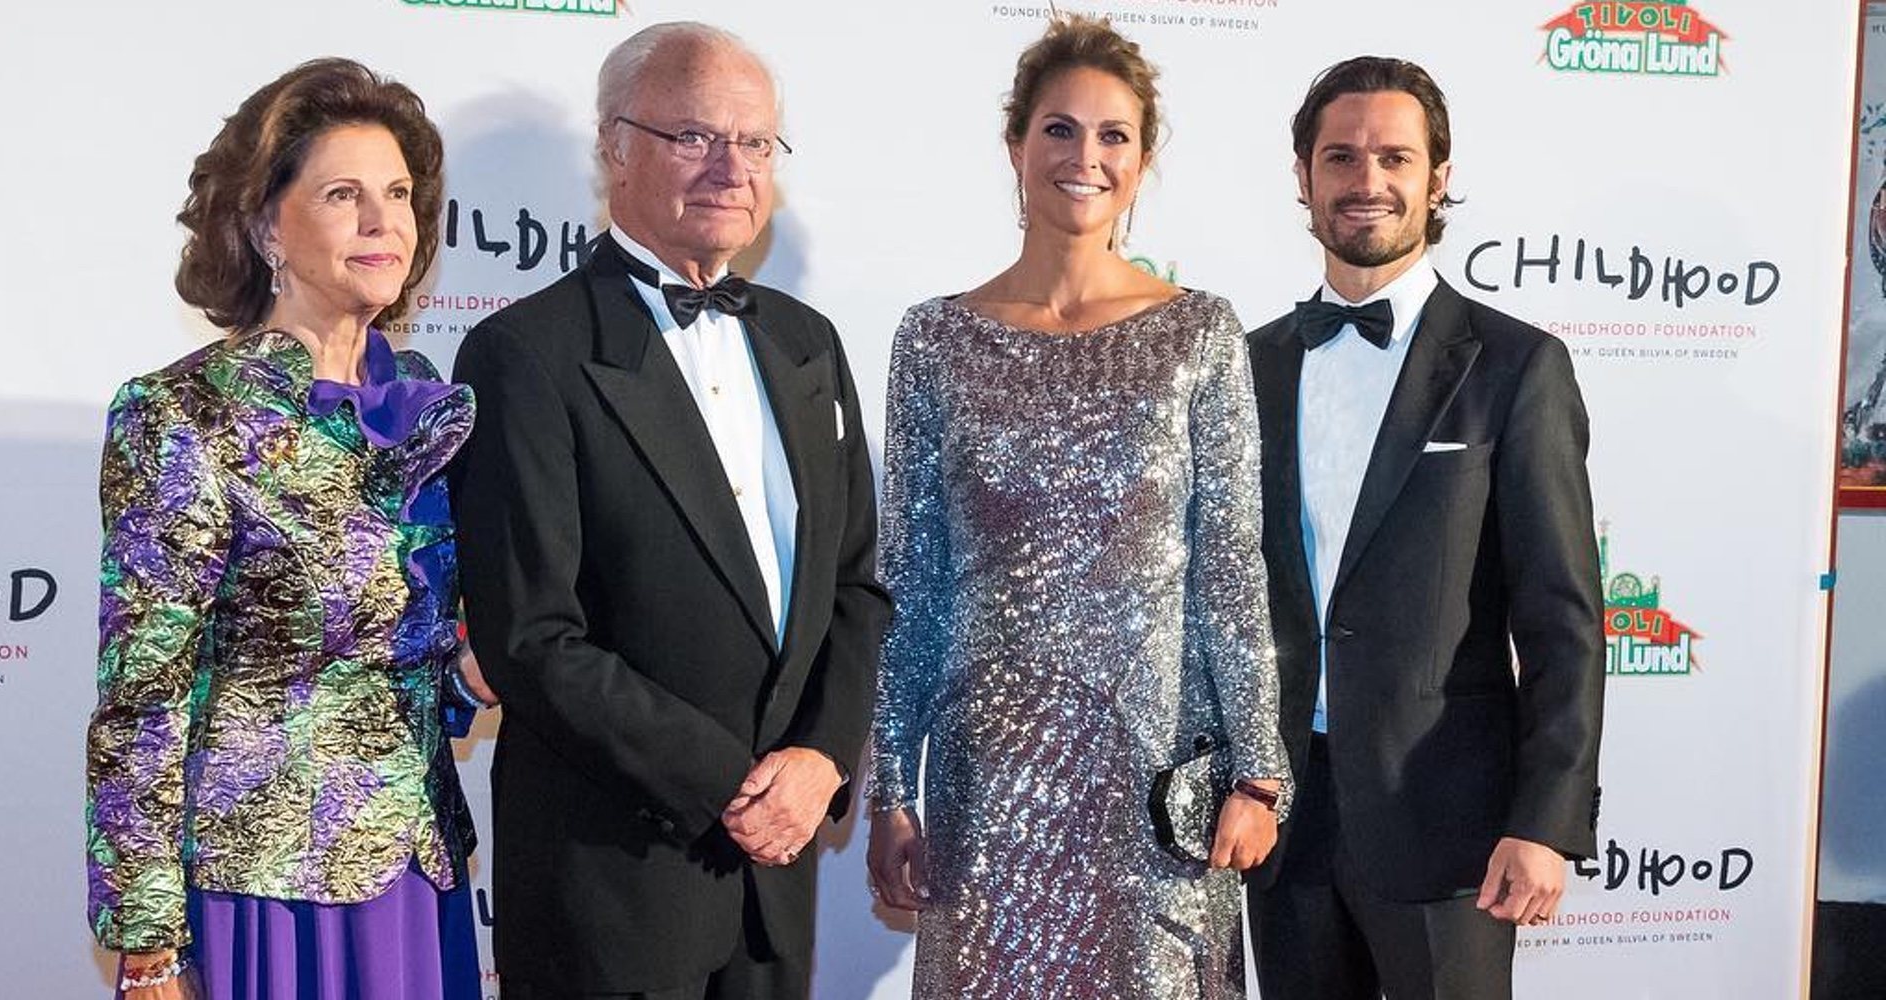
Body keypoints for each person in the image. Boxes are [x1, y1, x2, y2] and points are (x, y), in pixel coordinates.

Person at [447, 22, 889, 1000]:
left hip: (773, 891)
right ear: (612, 147)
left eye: (756, 142)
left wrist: (818, 758)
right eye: (694, 136)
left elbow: (856, 586)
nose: (731, 167)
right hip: (607, 886)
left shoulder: (807, 345)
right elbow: (532, 637)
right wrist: (734, 782)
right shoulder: (525, 354)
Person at [863, 15, 1290, 999]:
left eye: (1113, 136)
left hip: (1150, 793)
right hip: (990, 791)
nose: (1084, 157)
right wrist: (892, 783)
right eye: (1059, 129)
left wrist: (1257, 770)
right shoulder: (934, 341)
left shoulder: (1199, 334)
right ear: (1015, 144)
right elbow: (912, 583)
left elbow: (1229, 562)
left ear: (1142, 162)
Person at [85, 58, 491, 1000]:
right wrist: (148, 952)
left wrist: (478, 669)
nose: (383, 220)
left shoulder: (428, 408)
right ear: (267, 223)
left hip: (416, 874)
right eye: (343, 194)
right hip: (262, 894)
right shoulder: (185, 414)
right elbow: (141, 697)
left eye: (397, 193)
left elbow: (416, 655)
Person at [1241, 56, 1606, 1000]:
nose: (1367, 181)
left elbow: (1562, 615)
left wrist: (1546, 819)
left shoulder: (1516, 367)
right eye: (1341, 156)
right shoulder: (1248, 365)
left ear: (1437, 178)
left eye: (1395, 157)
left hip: (1452, 826)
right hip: (1280, 819)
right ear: (1303, 176)